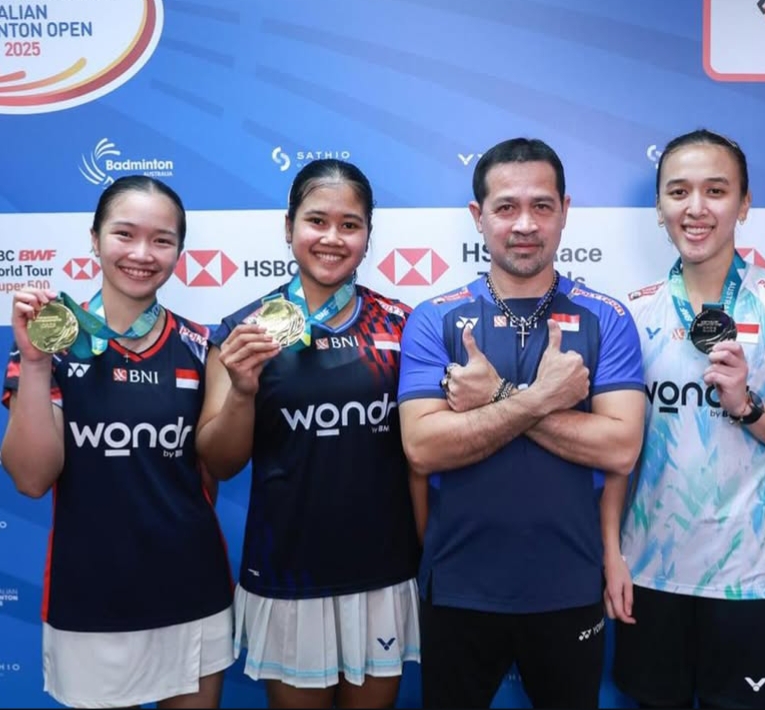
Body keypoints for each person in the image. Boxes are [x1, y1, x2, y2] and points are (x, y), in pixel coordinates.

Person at [396, 137, 646, 709]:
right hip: (458, 585)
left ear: (565, 210)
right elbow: (424, 449)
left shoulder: (606, 317)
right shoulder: (435, 318)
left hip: (569, 584)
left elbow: (620, 448)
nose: (525, 224)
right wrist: (540, 400)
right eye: (506, 207)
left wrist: (497, 397)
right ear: (478, 216)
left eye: (542, 206)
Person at [605, 128, 765, 709]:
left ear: (744, 203)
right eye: (678, 192)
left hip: (752, 578)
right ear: (659, 207)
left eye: (715, 191)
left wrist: (748, 407)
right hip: (650, 572)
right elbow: (615, 455)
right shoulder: (631, 312)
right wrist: (611, 551)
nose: (696, 208)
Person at [195, 159, 421, 709]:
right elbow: (219, 462)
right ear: (288, 226)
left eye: (350, 225)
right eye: (317, 221)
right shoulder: (245, 331)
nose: (332, 238)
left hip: (381, 573)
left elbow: (425, 451)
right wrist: (243, 391)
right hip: (287, 573)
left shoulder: (404, 326)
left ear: (367, 235)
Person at [1, 176, 234, 708]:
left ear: (179, 251)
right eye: (124, 234)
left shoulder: (202, 345)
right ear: (94, 238)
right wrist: (35, 364)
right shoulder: (49, 343)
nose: (142, 254)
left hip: (192, 589)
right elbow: (31, 479)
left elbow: (209, 473)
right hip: (91, 596)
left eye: (162, 240)